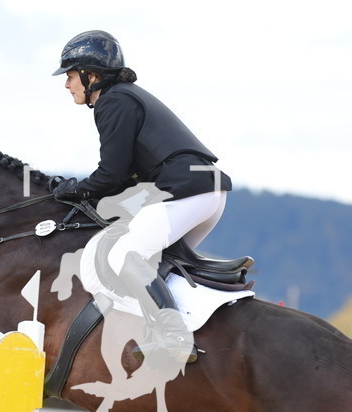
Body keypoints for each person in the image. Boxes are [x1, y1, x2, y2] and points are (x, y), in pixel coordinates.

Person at [51, 30, 232, 363]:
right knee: (156, 265)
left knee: (125, 254)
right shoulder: (126, 97)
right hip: (205, 192)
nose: (67, 84)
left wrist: (72, 190)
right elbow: (123, 181)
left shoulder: (112, 101)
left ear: (92, 76)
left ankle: (174, 337)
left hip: (186, 191)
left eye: (71, 76)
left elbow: (111, 174)